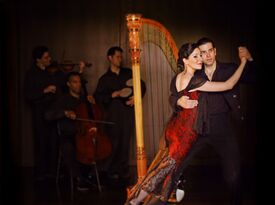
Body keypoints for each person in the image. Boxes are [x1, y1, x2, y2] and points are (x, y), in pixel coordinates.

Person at [125, 42, 248, 205]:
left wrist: (178, 100)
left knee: (163, 170)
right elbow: (228, 85)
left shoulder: (178, 77)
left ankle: (136, 201)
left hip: (176, 129)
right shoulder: (194, 79)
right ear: (185, 60)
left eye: (201, 55)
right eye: (196, 56)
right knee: (163, 172)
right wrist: (244, 62)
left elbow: (175, 93)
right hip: (185, 135)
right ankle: (134, 202)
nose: (201, 59)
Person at [169, 37, 256, 205]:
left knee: (233, 176)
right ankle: (175, 187)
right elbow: (174, 93)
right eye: (202, 53)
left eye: (210, 51)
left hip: (223, 127)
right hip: (198, 126)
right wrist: (178, 102)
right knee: (177, 163)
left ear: (215, 51)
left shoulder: (230, 69)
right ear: (198, 56)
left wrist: (249, 60)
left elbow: (253, 78)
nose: (207, 55)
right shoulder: (196, 71)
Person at [94, 46, 146, 180]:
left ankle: (123, 171)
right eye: (117, 56)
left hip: (127, 114)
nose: (120, 59)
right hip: (112, 116)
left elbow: (141, 85)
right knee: (113, 143)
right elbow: (98, 97)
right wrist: (112, 94)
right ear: (109, 58)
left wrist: (136, 97)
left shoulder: (128, 72)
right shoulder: (104, 79)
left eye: (121, 56)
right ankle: (109, 171)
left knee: (125, 143)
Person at [45, 72, 95, 191]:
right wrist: (65, 112)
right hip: (68, 135)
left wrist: (93, 104)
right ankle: (78, 179)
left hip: (84, 135)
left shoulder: (85, 99)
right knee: (69, 147)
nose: (78, 85)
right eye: (75, 82)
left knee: (92, 145)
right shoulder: (62, 100)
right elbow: (47, 115)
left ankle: (87, 176)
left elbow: (95, 116)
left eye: (79, 82)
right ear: (68, 84)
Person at [24, 46, 65, 180]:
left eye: (49, 57)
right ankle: (41, 173)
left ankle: (53, 172)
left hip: (52, 112)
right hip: (40, 112)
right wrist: (44, 90)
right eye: (46, 58)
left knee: (54, 142)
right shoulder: (31, 74)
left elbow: (63, 81)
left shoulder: (50, 72)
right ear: (38, 60)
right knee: (41, 142)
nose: (50, 59)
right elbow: (28, 95)